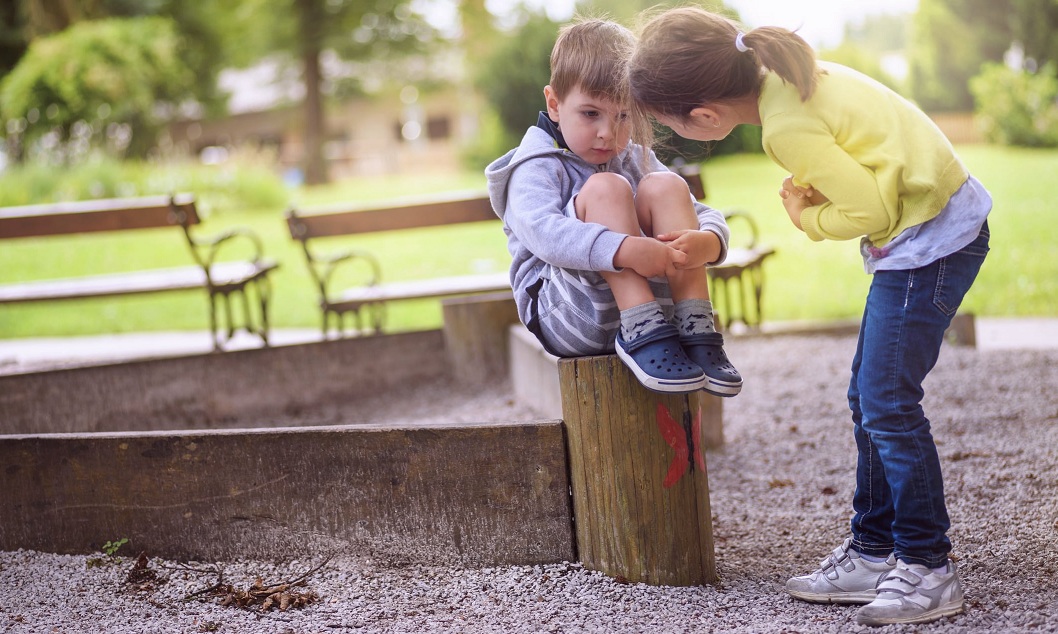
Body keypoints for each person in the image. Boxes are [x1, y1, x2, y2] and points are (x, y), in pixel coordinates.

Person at [627, 6, 991, 627]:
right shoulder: (791, 75)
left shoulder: (783, 126)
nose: (671, 136)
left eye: (669, 125)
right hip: (936, 225)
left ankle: (929, 565)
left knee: (887, 402)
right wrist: (835, 191)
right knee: (869, 397)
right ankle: (875, 550)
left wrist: (808, 220)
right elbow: (873, 159)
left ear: (706, 115)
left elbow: (873, 211)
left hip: (929, 246)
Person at [485, 17, 742, 397]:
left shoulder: (634, 156)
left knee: (666, 184)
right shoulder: (535, 166)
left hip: (661, 319)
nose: (609, 132)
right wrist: (623, 249)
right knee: (606, 188)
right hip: (568, 314)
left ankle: (696, 323)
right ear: (555, 104)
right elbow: (543, 233)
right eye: (591, 114)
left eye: (623, 116)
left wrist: (710, 240)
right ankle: (641, 328)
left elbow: (695, 209)